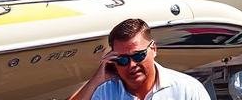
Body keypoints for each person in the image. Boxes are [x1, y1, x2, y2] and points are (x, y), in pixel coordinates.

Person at [68, 18, 210, 100]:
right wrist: (96, 80)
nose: (132, 65)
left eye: (138, 55)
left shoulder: (186, 89)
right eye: (122, 60)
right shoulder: (105, 92)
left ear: (153, 49)